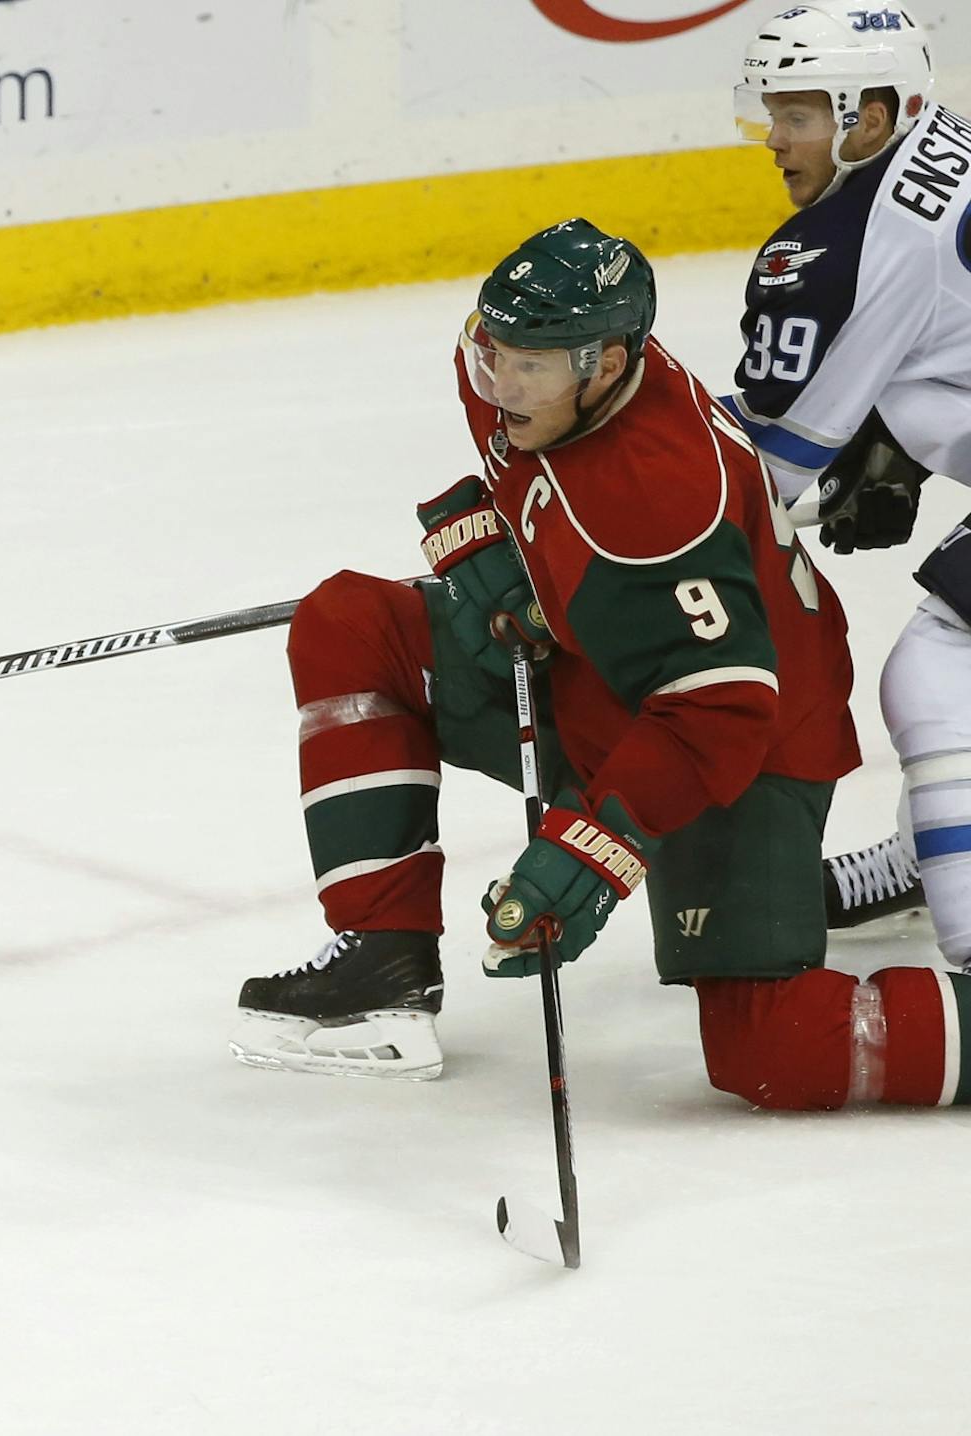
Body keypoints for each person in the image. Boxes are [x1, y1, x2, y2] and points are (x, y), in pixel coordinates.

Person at [231, 218, 971, 1113]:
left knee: (775, 1052)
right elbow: (532, 479)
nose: (500, 382)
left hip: (745, 742)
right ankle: (380, 968)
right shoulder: (520, 369)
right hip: (609, 674)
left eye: (530, 366)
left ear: (609, 365)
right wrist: (502, 552)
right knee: (352, 623)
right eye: (492, 348)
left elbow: (721, 710)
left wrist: (593, 849)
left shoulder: (661, 501)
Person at [719, 4, 970, 942]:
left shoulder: (839, 250)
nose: (775, 140)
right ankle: (937, 841)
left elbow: (765, 472)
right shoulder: (937, 137)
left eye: (797, 116)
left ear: (867, 116)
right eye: (772, 112)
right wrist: (896, 431)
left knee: (940, 670)